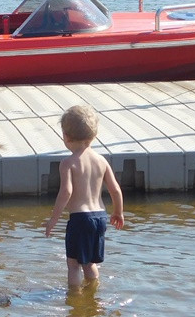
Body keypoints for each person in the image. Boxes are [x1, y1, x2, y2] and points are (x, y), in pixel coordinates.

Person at [44, 105, 125, 290]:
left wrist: (53, 220)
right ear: (93, 136)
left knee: (73, 265)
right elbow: (116, 190)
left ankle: (75, 300)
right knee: (90, 263)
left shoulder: (68, 163)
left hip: (80, 219)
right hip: (100, 218)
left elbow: (66, 192)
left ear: (66, 136)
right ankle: (93, 295)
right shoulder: (101, 160)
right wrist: (118, 212)